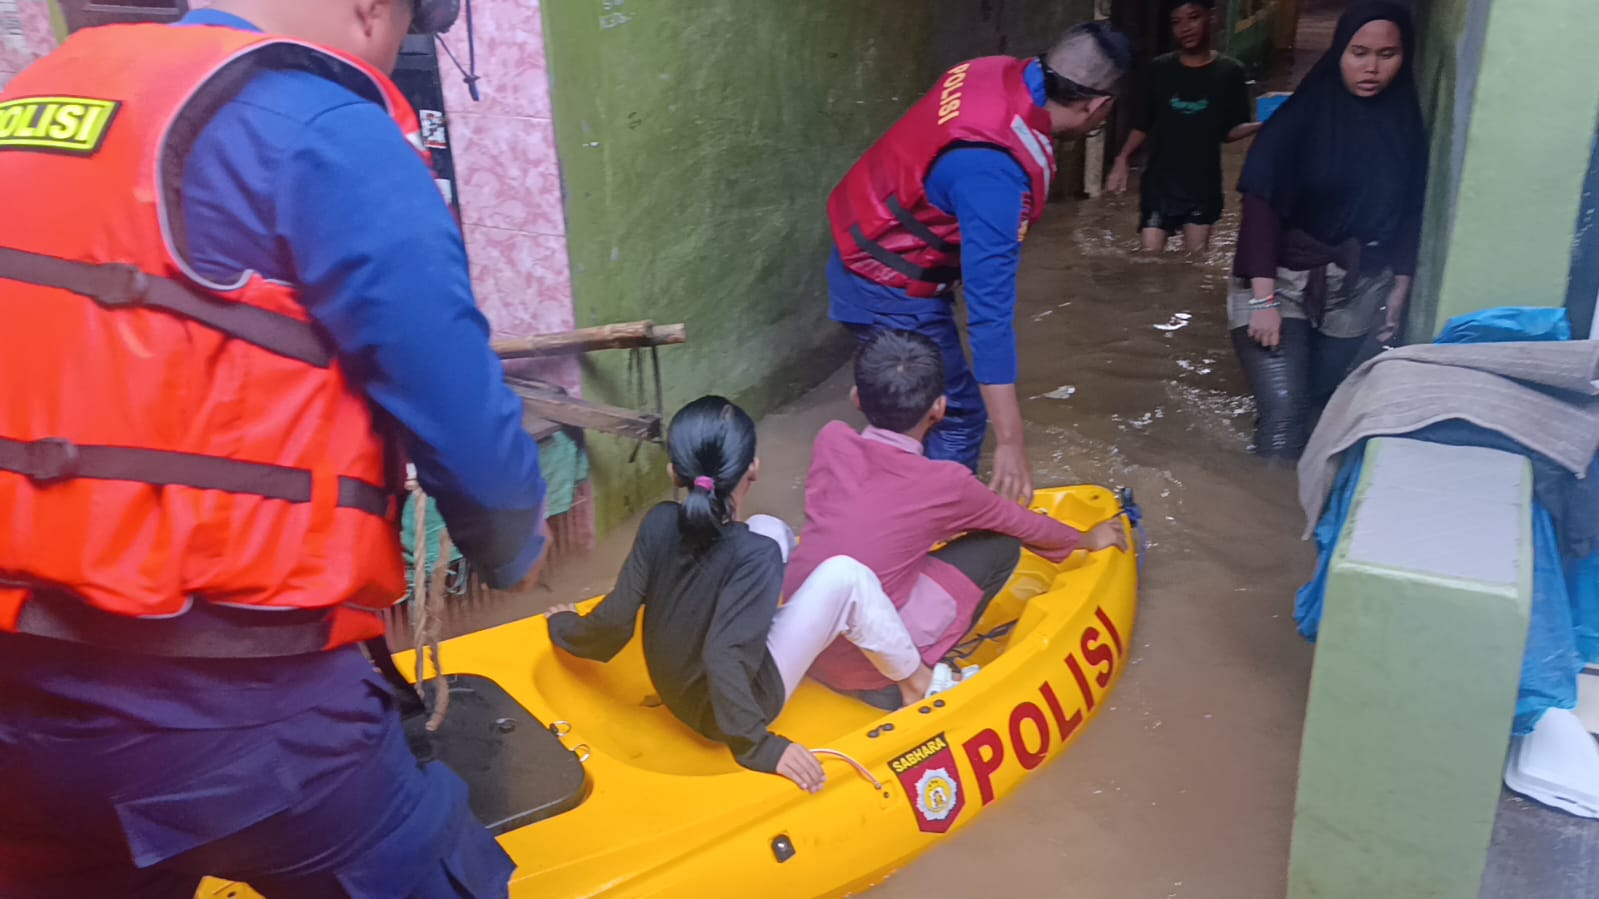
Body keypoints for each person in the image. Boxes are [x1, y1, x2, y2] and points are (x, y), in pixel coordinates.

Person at [0, 1, 548, 896]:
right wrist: (511, 547)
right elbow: (463, 416)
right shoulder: (320, 122)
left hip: (20, 706)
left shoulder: (32, 97)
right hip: (243, 713)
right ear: (373, 6)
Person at [546, 397, 955, 795]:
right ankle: (919, 685)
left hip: (677, 690)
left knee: (769, 528)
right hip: (723, 712)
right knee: (845, 576)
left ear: (674, 473)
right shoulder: (753, 557)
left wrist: (564, 626)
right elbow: (723, 655)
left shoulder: (659, 521)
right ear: (753, 469)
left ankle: (796, 622)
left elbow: (615, 621)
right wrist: (758, 746)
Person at [827, 23, 1133, 504]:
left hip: (860, 251)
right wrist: (1011, 442)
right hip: (887, 284)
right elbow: (989, 319)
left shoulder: (990, 71)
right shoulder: (996, 175)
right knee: (956, 412)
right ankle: (931, 536)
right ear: (1098, 106)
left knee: (906, 410)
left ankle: (890, 502)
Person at [787, 330, 1129, 707]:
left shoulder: (830, 440)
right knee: (1001, 545)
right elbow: (1021, 524)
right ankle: (919, 671)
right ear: (939, 408)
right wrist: (1087, 538)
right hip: (870, 669)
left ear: (855, 397)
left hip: (806, 646)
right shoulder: (946, 484)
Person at [1227, 0, 1427, 459]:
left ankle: (1299, 499)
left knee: (1316, 404)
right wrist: (1263, 300)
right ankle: (1260, 518)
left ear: (1404, 56)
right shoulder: (1299, 121)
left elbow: (1411, 209)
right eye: (1359, 52)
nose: (1371, 67)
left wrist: (1400, 285)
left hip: (1358, 285)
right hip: (1280, 277)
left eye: (1387, 55)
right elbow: (1259, 208)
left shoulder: (1406, 125)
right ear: (1338, 52)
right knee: (1284, 414)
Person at [1106, 0, 1259, 252]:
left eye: (1193, 17)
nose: (1185, 28)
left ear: (1211, 17)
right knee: (1148, 258)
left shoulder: (1230, 72)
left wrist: (1262, 125)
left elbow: (1230, 131)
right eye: (1177, 22)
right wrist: (1122, 159)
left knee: (1193, 265)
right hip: (1159, 185)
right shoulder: (1159, 69)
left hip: (1203, 185)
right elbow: (1143, 122)